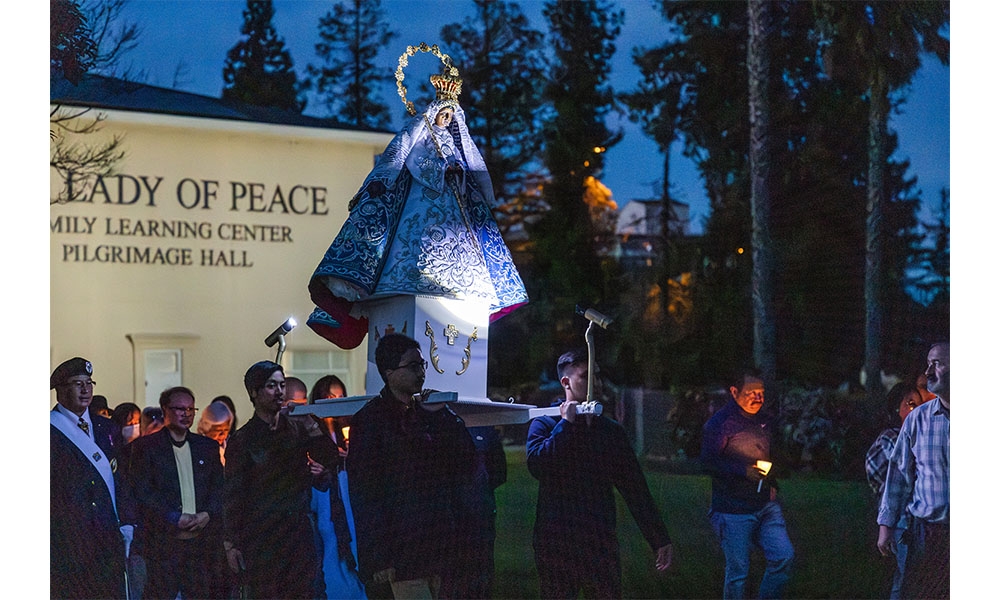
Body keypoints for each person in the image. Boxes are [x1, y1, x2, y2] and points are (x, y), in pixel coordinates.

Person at [307, 64, 527, 349]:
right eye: (442, 114)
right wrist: (434, 173)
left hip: (454, 208)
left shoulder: (455, 141)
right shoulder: (420, 134)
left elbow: (470, 168)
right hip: (421, 203)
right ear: (434, 113)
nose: (446, 119)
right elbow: (403, 157)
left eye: (450, 115)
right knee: (410, 249)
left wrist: (460, 176)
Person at [526, 349, 673, 599]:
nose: (596, 383)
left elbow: (634, 487)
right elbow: (539, 466)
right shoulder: (546, 423)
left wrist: (658, 537)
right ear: (566, 382)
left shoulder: (610, 432)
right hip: (556, 542)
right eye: (586, 376)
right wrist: (566, 426)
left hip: (599, 540)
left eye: (597, 376)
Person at [346, 333, 476, 599]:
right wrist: (378, 556)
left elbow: (466, 461)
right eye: (413, 366)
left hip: (440, 543)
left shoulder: (428, 414)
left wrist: (445, 416)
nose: (421, 373)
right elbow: (365, 492)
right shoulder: (370, 421)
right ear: (390, 372)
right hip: (403, 546)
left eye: (422, 365)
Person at [223, 360, 340, 599]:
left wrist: (310, 421)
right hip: (263, 534)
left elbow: (329, 455)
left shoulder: (297, 429)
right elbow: (234, 494)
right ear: (254, 393)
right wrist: (231, 543)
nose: (279, 391)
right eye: (271, 386)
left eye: (281, 385)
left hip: (298, 530)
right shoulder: (243, 440)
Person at [700, 369, 794, 599]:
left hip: (765, 506)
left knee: (783, 556)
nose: (758, 398)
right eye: (751, 392)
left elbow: (777, 455)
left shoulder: (765, 421)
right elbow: (707, 462)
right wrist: (743, 471)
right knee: (738, 571)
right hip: (732, 510)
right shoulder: (720, 424)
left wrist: (772, 481)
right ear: (735, 392)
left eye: (761, 392)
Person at [127, 386, 225, 600]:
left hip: (201, 544)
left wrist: (207, 514)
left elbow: (218, 488)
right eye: (180, 409)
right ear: (165, 410)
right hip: (163, 544)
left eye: (191, 409)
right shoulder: (146, 447)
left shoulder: (206, 447)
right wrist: (172, 517)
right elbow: (142, 492)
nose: (186, 414)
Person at [50, 357, 131, 599]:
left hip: (108, 538)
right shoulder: (48, 430)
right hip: (69, 541)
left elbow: (121, 479)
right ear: (60, 391)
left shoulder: (107, 428)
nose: (86, 390)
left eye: (89, 382)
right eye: (77, 383)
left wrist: (127, 521)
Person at [877, 342, 950, 599]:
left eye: (938, 363)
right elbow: (897, 476)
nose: (929, 371)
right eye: (928, 363)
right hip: (927, 532)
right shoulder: (919, 419)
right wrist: (886, 524)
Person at [865, 381, 926, 599]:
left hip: (915, 517)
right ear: (895, 408)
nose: (916, 410)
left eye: (919, 405)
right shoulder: (891, 438)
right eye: (910, 404)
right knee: (905, 577)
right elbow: (905, 474)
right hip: (901, 518)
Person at [196, 400, 234, 465]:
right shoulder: (197, 449)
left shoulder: (232, 446)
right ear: (206, 429)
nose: (222, 435)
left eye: (226, 430)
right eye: (218, 431)